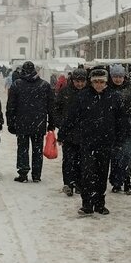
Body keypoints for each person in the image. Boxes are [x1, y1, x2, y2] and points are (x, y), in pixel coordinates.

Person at [62, 66, 129, 215]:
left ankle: (99, 203)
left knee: (102, 174)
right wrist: (63, 134)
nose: (99, 84)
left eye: (101, 81)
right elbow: (71, 118)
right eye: (96, 81)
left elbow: (121, 121)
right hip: (87, 142)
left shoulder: (114, 97)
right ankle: (87, 204)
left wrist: (120, 138)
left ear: (106, 82)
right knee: (87, 174)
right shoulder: (83, 97)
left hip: (105, 143)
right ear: (91, 82)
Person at [6, 60, 54, 183]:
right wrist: (52, 123)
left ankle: (23, 173)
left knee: (23, 148)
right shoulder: (44, 85)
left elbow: (11, 106)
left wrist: (10, 122)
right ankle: (36, 175)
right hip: (39, 123)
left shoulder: (17, 84)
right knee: (37, 149)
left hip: (22, 123)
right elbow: (51, 106)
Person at [108, 64, 131, 194]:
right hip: (112, 128)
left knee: (126, 156)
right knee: (115, 157)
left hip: (127, 127)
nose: (118, 79)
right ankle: (116, 182)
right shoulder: (108, 90)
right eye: (115, 76)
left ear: (124, 77)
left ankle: (127, 182)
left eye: (120, 76)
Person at [53, 66, 87, 195]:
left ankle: (79, 183)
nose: (79, 84)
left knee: (82, 160)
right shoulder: (65, 92)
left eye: (82, 81)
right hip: (68, 133)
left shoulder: (89, 93)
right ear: (72, 80)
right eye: (77, 81)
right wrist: (61, 123)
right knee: (68, 159)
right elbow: (56, 109)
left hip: (84, 133)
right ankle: (68, 183)